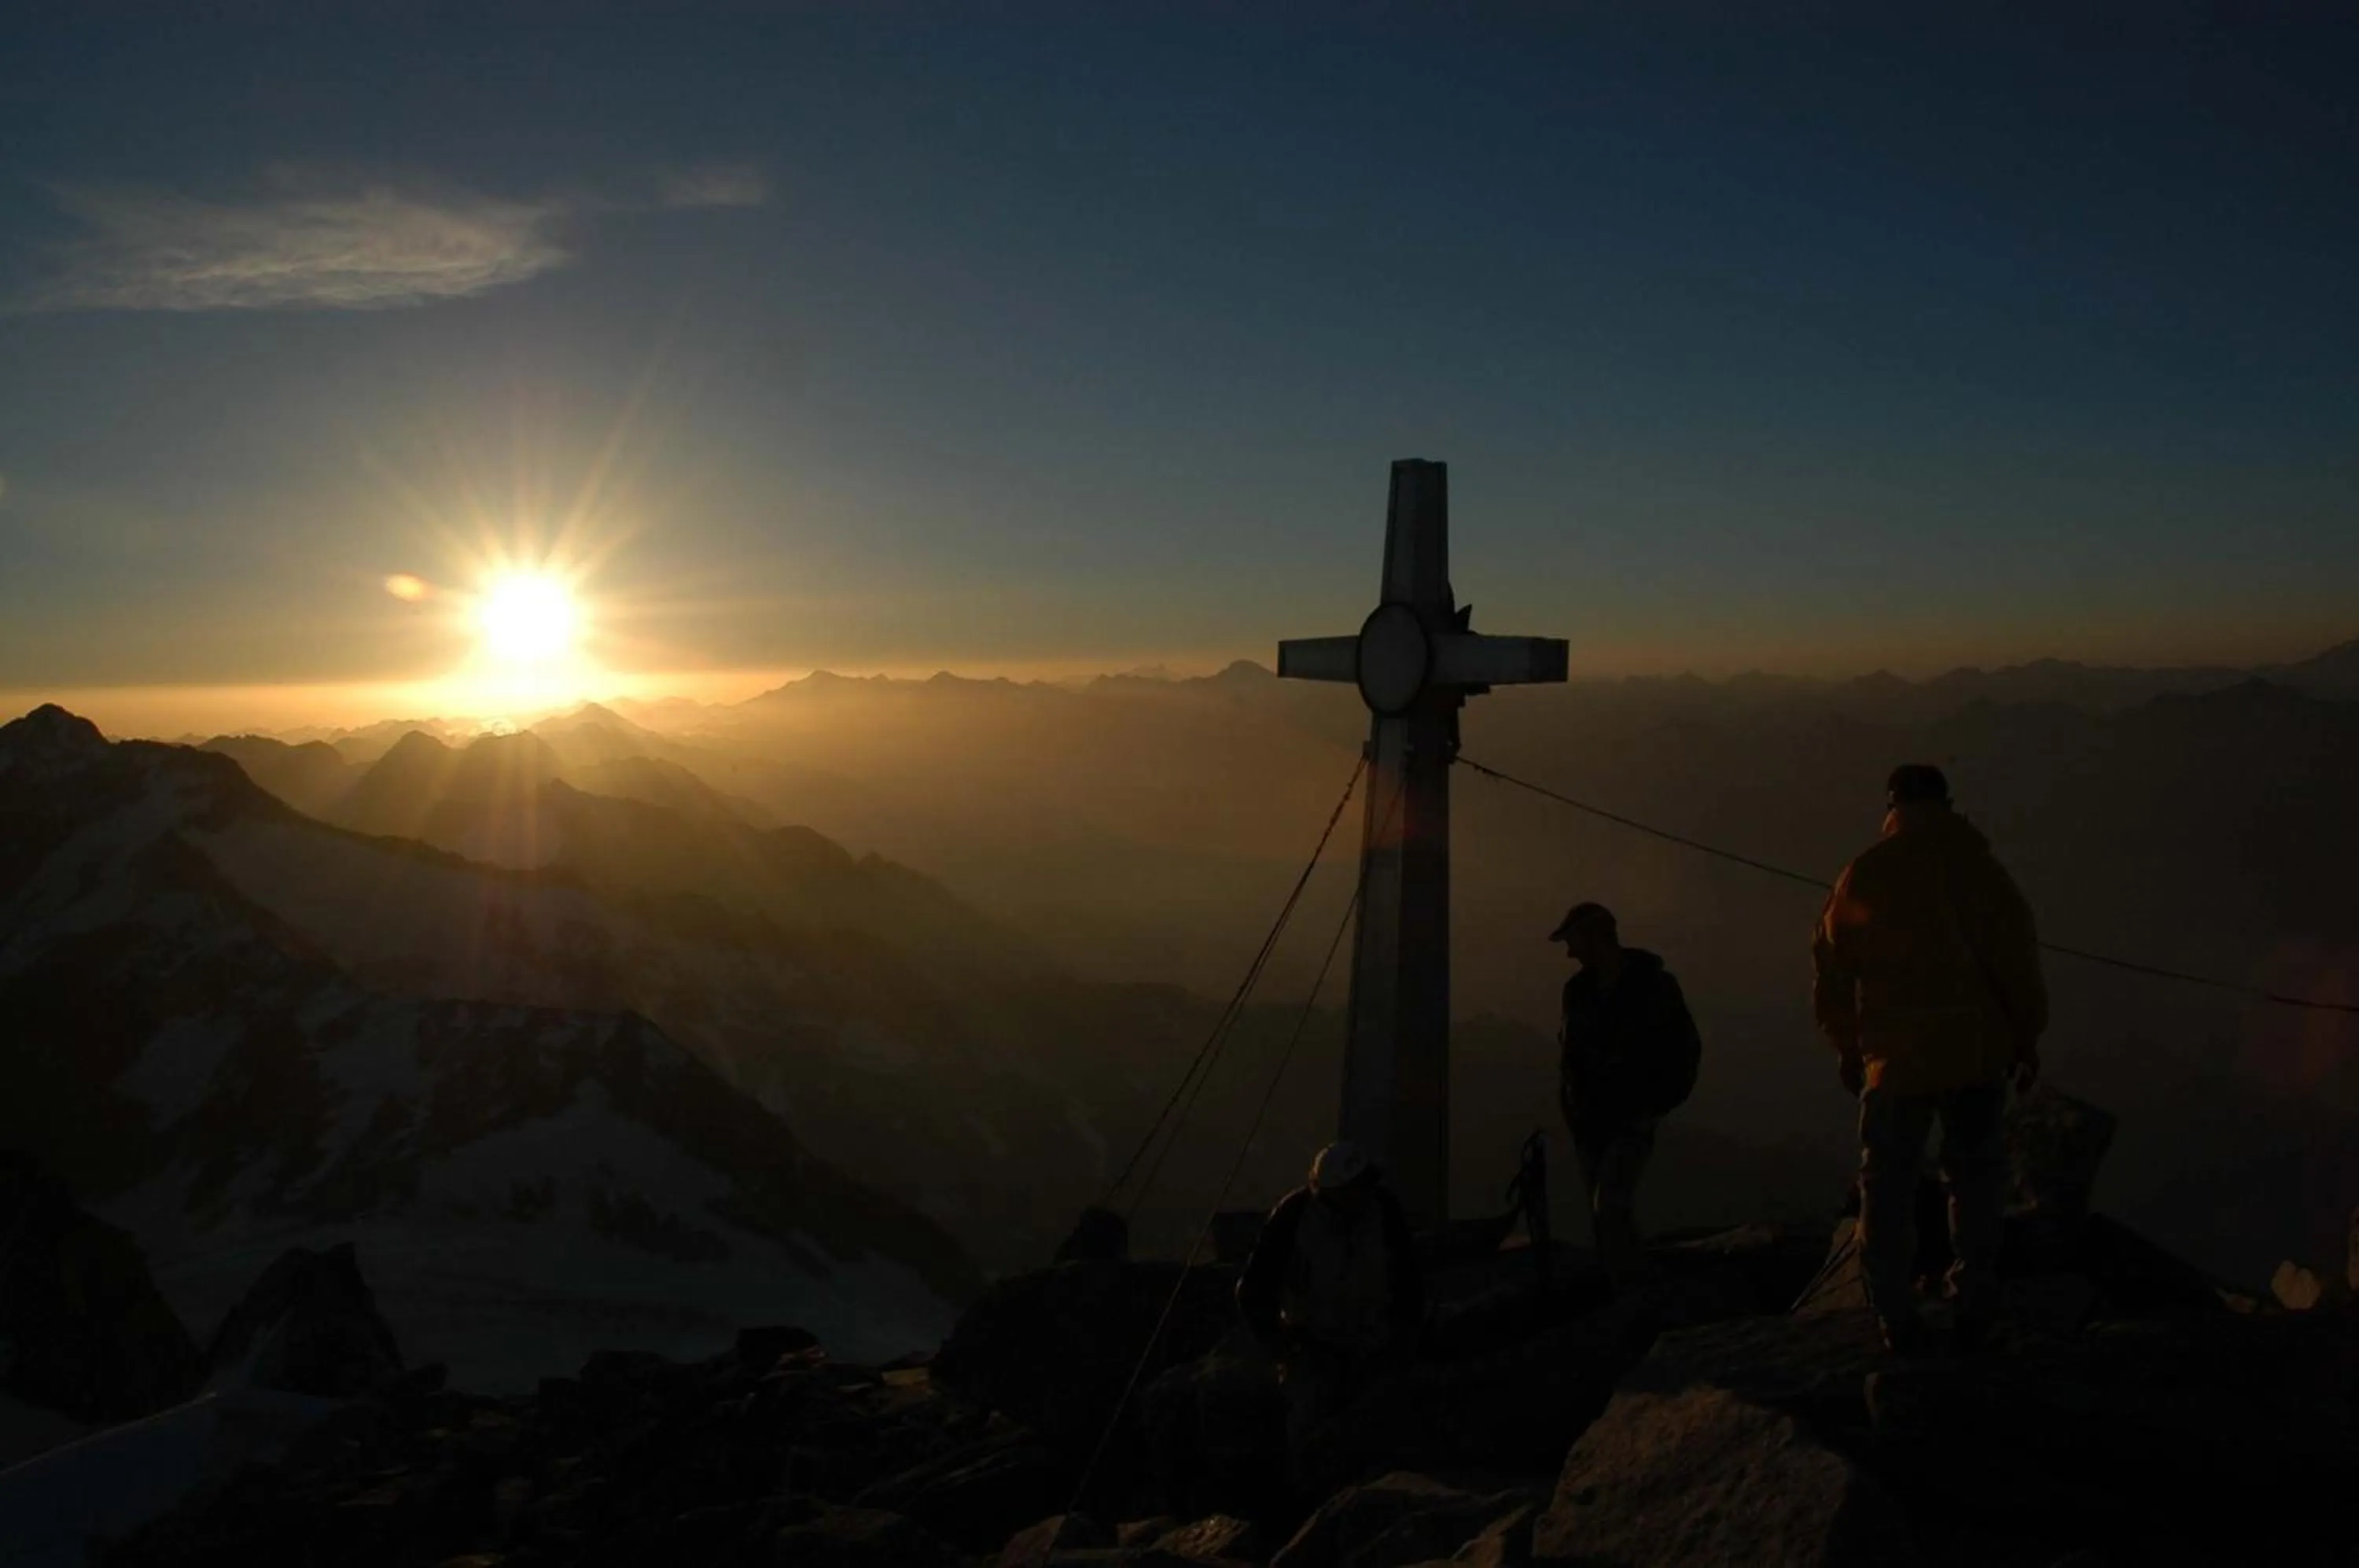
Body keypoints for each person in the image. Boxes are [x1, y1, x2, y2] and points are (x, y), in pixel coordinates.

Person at [1812, 764, 2048, 1356]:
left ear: (1893, 805)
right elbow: (2018, 965)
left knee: (1887, 1186)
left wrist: (1845, 1046)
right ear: (1948, 802)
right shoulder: (1983, 873)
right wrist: (2025, 1039)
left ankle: (1895, 1314)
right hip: (1975, 1057)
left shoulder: (1866, 874)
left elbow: (1833, 966)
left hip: (1895, 1064)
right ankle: (1973, 1300)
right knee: (1975, 1180)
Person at [1235, 1141, 1424, 1493]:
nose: (1362, 1194)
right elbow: (1254, 1288)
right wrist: (1279, 1343)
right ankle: (1307, 1505)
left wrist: (1404, 1334)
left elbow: (1408, 1278)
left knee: (1379, 1436)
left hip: (1374, 1345)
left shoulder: (1383, 1211)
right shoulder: (1294, 1216)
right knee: (1311, 1435)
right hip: (1313, 1347)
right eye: (1353, 1188)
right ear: (1332, 1191)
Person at [1551, 902, 1704, 1293]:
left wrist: (1653, 1107)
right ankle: (1626, 1294)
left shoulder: (1655, 988)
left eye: (1573, 942)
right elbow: (1570, 1058)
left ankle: (1635, 1298)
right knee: (1606, 1215)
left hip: (1631, 1120)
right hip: (1590, 1125)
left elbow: (1684, 1051)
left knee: (1610, 1208)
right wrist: (1574, 1110)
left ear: (1596, 938)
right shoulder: (1577, 992)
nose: (1570, 953)